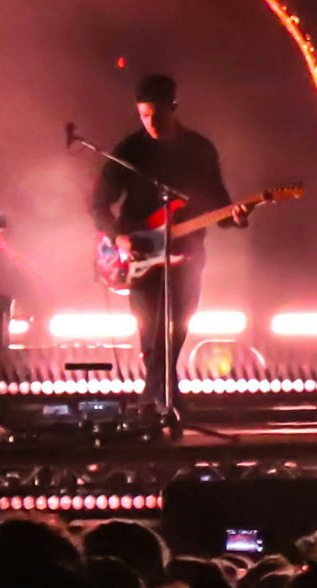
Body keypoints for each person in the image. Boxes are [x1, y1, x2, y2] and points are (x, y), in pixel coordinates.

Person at [88, 73, 243, 422]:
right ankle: (164, 398)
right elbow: (98, 204)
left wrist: (235, 217)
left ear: (173, 108)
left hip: (187, 251)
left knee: (177, 326)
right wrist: (119, 237)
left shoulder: (200, 150)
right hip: (139, 252)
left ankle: (157, 396)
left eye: (156, 115)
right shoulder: (130, 150)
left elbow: (219, 206)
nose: (150, 124)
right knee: (150, 328)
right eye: (143, 116)